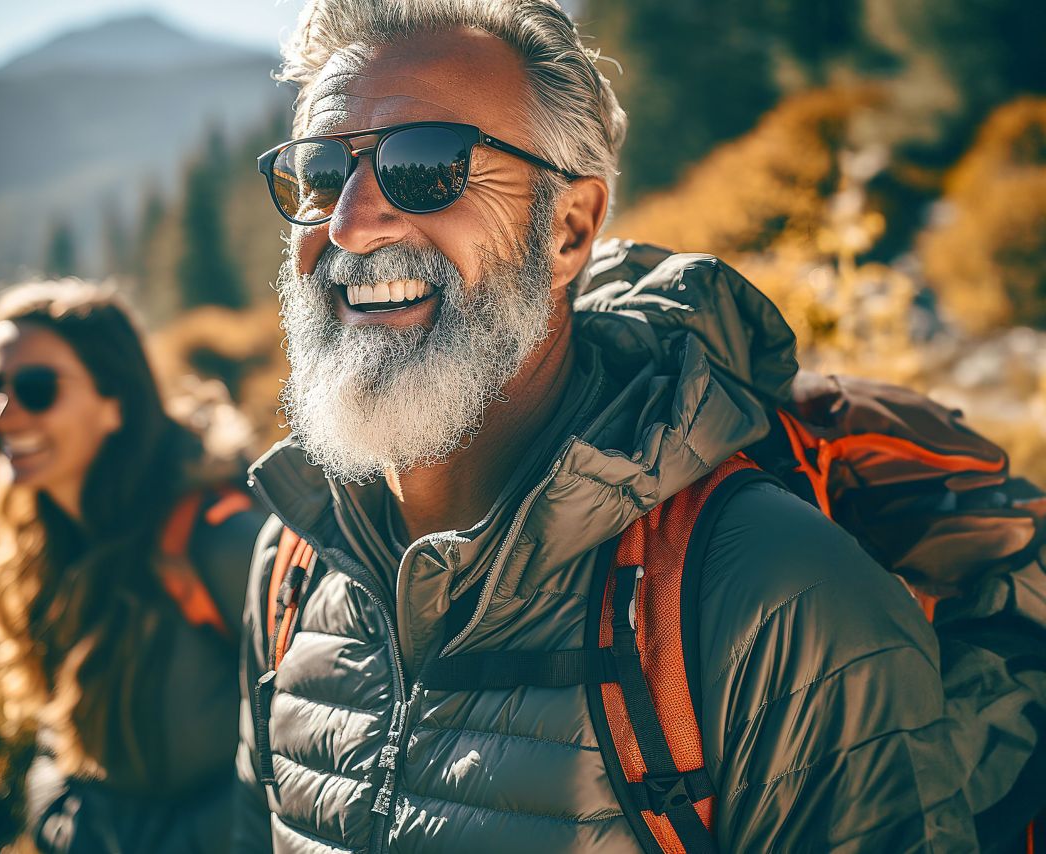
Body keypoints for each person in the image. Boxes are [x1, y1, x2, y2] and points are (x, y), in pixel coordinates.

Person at [231, 1, 995, 851]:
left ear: (568, 230)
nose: (348, 224)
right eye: (323, 173)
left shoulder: (776, 600)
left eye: (427, 164)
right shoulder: (293, 564)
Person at [0, 280, 263, 853]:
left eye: (35, 388)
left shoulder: (220, 543)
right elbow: (55, 744)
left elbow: (311, 755)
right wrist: (62, 823)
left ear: (115, 403)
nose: (1, 414)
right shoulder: (44, 545)